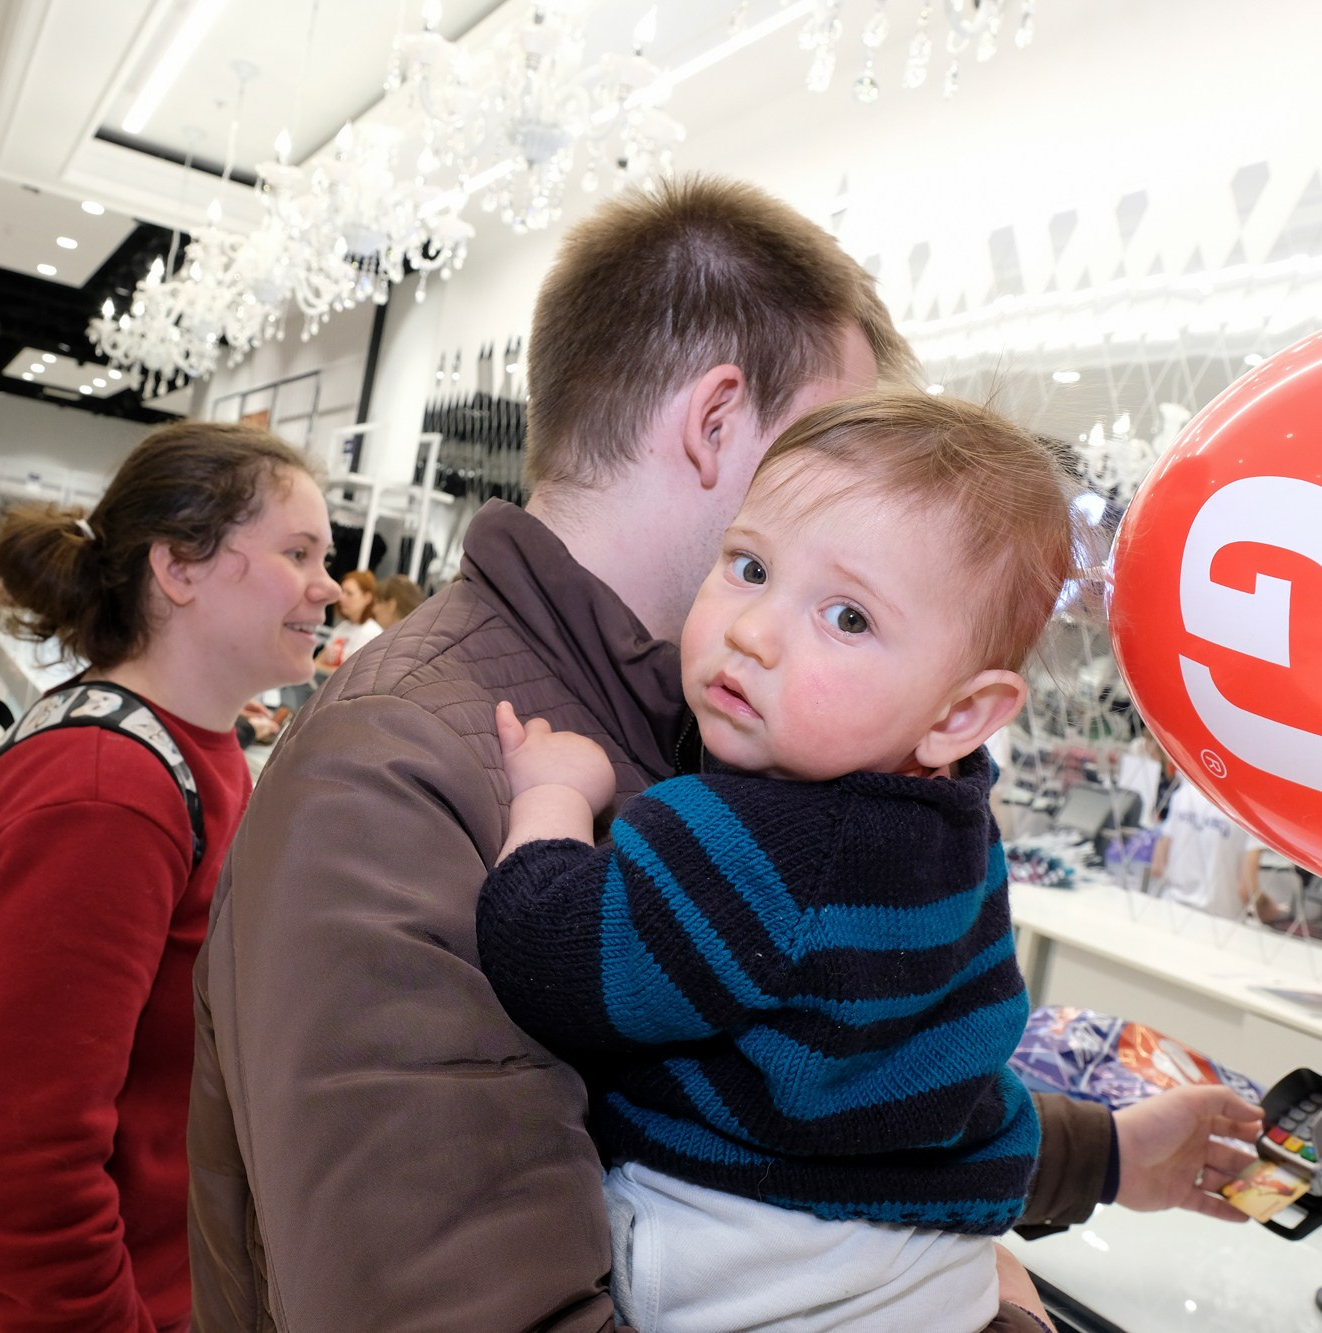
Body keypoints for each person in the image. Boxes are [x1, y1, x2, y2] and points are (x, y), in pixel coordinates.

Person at [187, 177, 1264, 1333]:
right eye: (834, 447)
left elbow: (828, 1080)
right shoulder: (400, 768)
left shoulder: (730, 733)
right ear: (714, 427)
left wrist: (1097, 1160)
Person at [477, 390, 1074, 1331]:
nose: (752, 629)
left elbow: (548, 956)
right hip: (930, 1256)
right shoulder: (952, 821)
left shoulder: (765, 838)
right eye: (750, 566)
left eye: (847, 618)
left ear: (959, 714)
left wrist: (553, 797)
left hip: (761, 1260)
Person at [0, 422, 339, 1332]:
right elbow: (17, 1169)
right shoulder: (112, 800)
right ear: (178, 569)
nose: (328, 586)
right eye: (298, 552)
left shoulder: (195, 749)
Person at [1150, 773, 1284, 923]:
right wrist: (1270, 909)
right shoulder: (1251, 808)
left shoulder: (1184, 793)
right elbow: (1246, 888)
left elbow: (1158, 866)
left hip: (1169, 912)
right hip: (1218, 923)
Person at [315, 569, 383, 677]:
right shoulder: (342, 628)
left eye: (349, 594)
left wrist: (323, 669)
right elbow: (317, 662)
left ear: (367, 598)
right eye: (342, 592)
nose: (341, 598)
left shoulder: (372, 633)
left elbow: (350, 675)